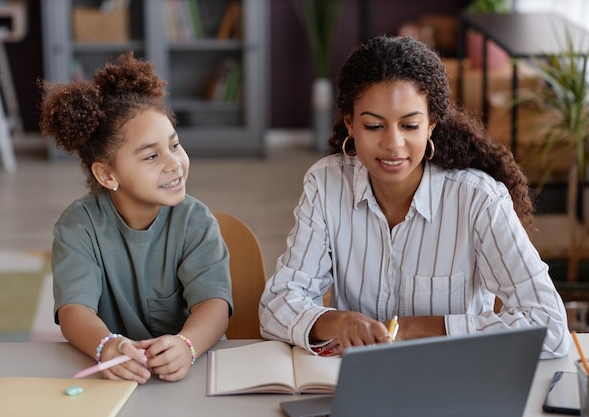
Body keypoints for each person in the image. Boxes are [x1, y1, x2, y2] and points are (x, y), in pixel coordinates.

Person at [259, 35, 570, 359]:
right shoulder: (326, 184)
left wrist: (415, 328)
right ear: (350, 124)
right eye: (373, 126)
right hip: (357, 383)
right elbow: (277, 304)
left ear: (431, 125)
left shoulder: (479, 200)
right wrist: (338, 322)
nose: (393, 144)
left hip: (453, 383)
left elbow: (549, 327)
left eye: (409, 125)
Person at [39, 52, 233, 384]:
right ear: (107, 174)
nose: (174, 163)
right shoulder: (78, 226)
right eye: (152, 156)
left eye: (175, 145)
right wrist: (107, 346)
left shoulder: (196, 222)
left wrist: (187, 345)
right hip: (118, 380)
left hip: (192, 374)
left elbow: (213, 304)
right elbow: (74, 312)